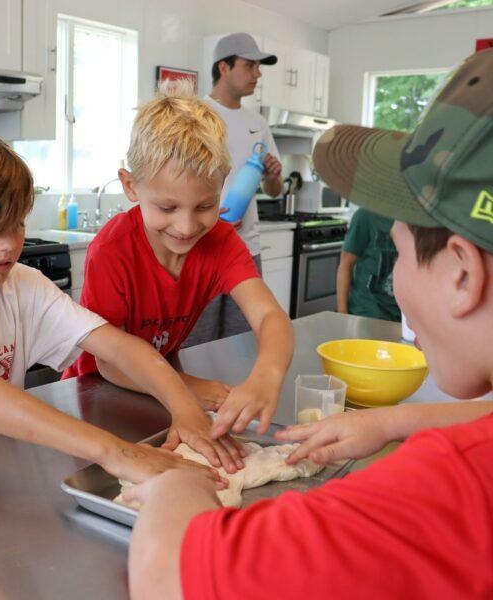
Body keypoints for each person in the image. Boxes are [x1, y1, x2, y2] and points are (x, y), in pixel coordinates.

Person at [126, 48, 493, 599]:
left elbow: (168, 576)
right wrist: (396, 422)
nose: (393, 283)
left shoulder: (453, 486)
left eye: (396, 255)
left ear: (462, 274)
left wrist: (176, 484)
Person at [0, 126, 234, 486]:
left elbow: (115, 345)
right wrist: (115, 451)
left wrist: (184, 409)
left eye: (17, 224)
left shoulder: (20, 284)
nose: (9, 245)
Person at [64, 82, 294, 467]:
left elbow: (271, 317)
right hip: (100, 394)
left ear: (223, 185)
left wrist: (265, 377)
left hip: (163, 389)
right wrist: (188, 393)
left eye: (205, 205)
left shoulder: (220, 241)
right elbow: (110, 362)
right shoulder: (112, 250)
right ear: (130, 186)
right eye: (167, 207)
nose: (186, 227)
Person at [183, 32, 283, 347]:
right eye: (250, 65)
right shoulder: (194, 115)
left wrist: (273, 174)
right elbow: (177, 177)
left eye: (258, 66)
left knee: (243, 342)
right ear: (223, 67)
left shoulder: (259, 123)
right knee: (196, 342)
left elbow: (275, 190)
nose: (258, 73)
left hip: (245, 249)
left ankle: (236, 397)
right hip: (200, 247)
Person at [337, 207, 401, 321]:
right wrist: (342, 316)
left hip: (403, 317)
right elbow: (346, 265)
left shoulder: (417, 221)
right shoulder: (366, 215)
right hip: (367, 312)